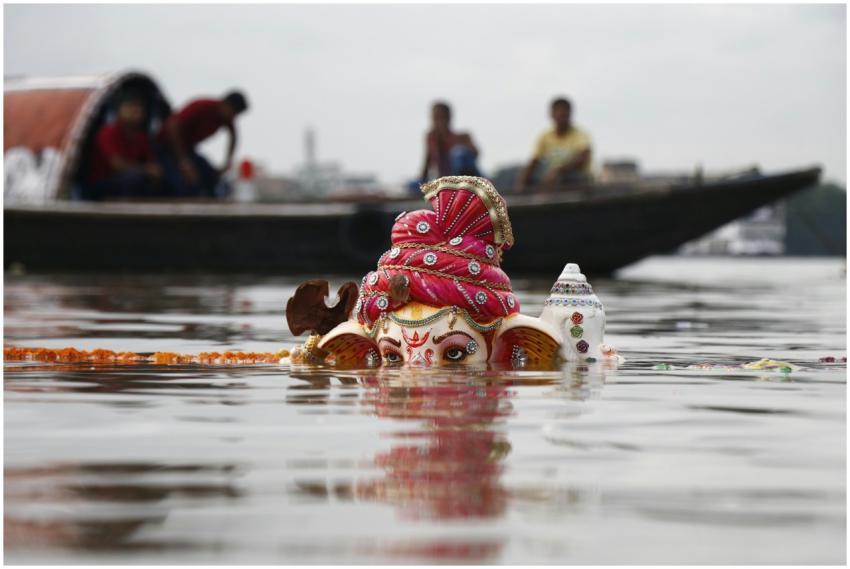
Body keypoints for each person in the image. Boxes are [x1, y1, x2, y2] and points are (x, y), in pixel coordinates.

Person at [156, 91, 249, 198]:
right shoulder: (203, 106)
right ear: (225, 104)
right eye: (233, 113)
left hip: (187, 149)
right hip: (165, 146)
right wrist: (183, 161)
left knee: (211, 176)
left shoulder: (226, 118)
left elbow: (234, 136)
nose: (232, 118)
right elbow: (172, 126)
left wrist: (228, 162)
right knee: (178, 180)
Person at [83, 90, 162, 200]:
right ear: (118, 110)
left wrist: (155, 172)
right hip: (103, 183)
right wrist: (146, 170)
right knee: (134, 179)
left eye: (138, 108)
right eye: (129, 107)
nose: (135, 112)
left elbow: (151, 163)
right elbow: (117, 166)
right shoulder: (108, 132)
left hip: (129, 180)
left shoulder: (142, 137)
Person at [515, 97, 592, 192]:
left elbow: (582, 159)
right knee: (531, 181)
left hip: (576, 179)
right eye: (559, 115)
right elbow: (534, 161)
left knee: (569, 178)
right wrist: (521, 183)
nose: (562, 119)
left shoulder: (580, 134)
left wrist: (558, 171)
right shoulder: (545, 136)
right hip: (553, 179)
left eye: (564, 115)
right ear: (552, 115)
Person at [420, 101, 481, 179]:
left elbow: (476, 153)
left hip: (467, 180)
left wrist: (461, 146)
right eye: (435, 118)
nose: (438, 122)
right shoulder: (431, 138)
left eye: (441, 118)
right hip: (445, 182)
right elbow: (426, 165)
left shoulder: (462, 137)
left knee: (459, 153)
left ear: (448, 118)